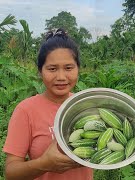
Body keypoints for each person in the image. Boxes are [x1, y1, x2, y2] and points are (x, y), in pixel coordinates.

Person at [3, 29, 93, 179]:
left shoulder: (85, 105)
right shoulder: (26, 110)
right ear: (40, 71)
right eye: (52, 69)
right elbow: (11, 173)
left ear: (78, 69)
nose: (61, 77)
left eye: (69, 68)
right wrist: (43, 164)